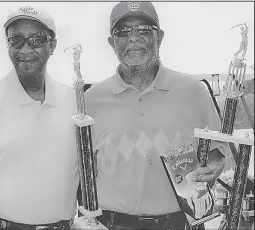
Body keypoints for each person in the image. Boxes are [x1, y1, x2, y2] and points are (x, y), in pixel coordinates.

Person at [85, 2, 229, 229]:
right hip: (111, 224)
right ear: (112, 42)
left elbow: (218, 152)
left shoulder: (193, 91)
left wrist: (212, 168)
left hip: (181, 224)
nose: (133, 37)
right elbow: (82, 169)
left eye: (143, 29)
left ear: (159, 37)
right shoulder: (90, 100)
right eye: (123, 31)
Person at [0, 6, 79, 230]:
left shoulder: (74, 102)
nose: (25, 49)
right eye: (16, 40)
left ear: (52, 45)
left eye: (36, 40)